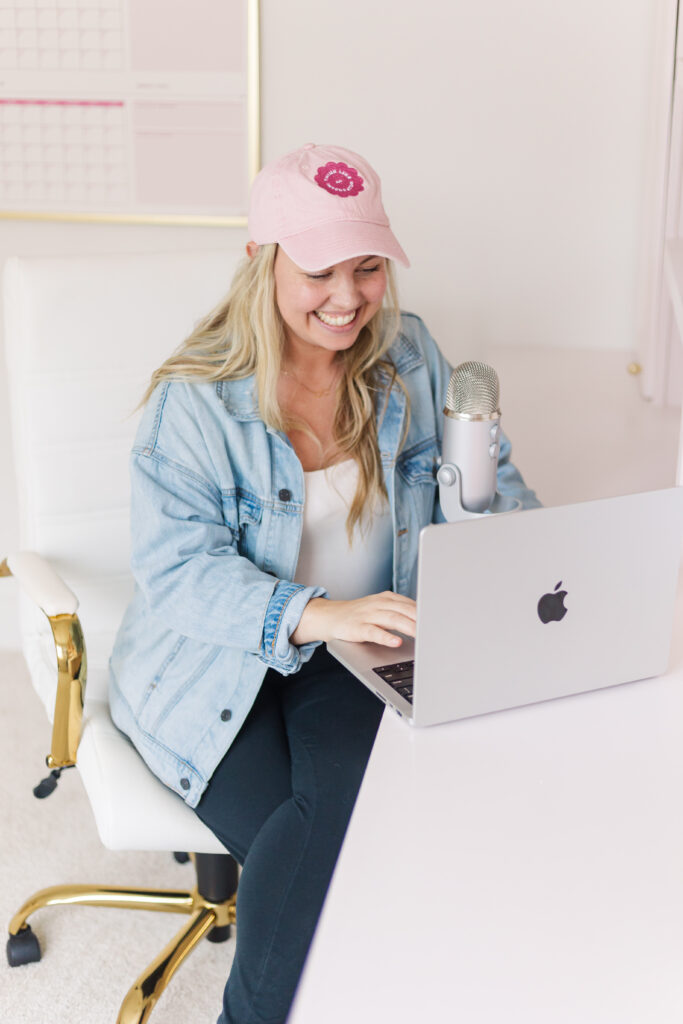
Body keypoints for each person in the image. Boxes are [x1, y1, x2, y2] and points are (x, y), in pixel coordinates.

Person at [109, 143, 539, 1024]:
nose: (347, 298)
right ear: (260, 265)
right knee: (326, 860)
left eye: (368, 268)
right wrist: (317, 612)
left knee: (375, 844)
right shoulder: (192, 400)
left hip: (358, 648)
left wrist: (487, 492)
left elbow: (488, 506)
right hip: (214, 669)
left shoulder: (409, 356)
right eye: (319, 272)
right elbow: (176, 575)